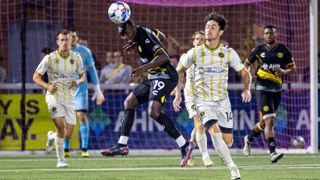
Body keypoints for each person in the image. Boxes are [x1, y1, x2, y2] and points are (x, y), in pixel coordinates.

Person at [100, 18, 193, 167]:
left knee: (154, 112)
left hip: (166, 75)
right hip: (153, 77)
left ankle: (184, 145)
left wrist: (143, 67)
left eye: (125, 34)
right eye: (123, 36)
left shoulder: (143, 36)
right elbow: (161, 36)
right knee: (129, 102)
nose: (125, 38)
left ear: (131, 27)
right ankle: (122, 145)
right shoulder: (142, 32)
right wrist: (137, 43)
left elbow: (164, 56)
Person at [173, 12, 252, 179]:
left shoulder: (228, 53)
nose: (208, 30)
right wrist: (177, 93)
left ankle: (219, 152)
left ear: (221, 32)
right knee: (213, 130)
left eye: (213, 27)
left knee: (227, 141)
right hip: (202, 101)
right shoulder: (195, 53)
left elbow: (245, 74)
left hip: (223, 102)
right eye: (207, 27)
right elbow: (179, 71)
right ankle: (233, 168)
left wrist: (247, 89)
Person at [243, 25, 296, 163]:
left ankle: (248, 139)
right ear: (264, 35)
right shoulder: (258, 50)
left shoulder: (283, 51)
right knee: (270, 120)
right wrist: (249, 75)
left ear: (275, 34)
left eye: (271, 33)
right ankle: (272, 153)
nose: (268, 35)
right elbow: (246, 64)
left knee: (262, 123)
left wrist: (284, 72)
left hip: (276, 90)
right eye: (266, 33)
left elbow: (293, 68)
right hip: (262, 89)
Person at [33, 29, 85, 167]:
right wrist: (47, 86)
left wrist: (77, 82)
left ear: (71, 41)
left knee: (68, 134)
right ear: (57, 42)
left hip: (70, 98)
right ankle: (61, 160)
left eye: (67, 39)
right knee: (61, 128)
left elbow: (82, 76)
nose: (64, 42)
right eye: (62, 40)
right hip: (53, 97)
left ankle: (51, 136)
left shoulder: (77, 58)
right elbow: (36, 77)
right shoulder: (49, 58)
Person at [173, 30, 214, 167]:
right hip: (191, 96)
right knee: (200, 124)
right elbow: (179, 74)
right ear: (193, 42)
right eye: (197, 39)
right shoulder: (186, 56)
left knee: (199, 127)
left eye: (202, 39)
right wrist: (178, 94)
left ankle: (188, 149)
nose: (199, 41)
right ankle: (205, 156)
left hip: (206, 96)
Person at [63, 27, 105, 158]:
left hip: (81, 90)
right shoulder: (61, 52)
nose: (73, 39)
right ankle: (66, 148)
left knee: (81, 116)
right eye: (71, 37)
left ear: (77, 38)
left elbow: (92, 70)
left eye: (75, 37)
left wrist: (98, 90)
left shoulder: (85, 51)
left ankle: (85, 148)